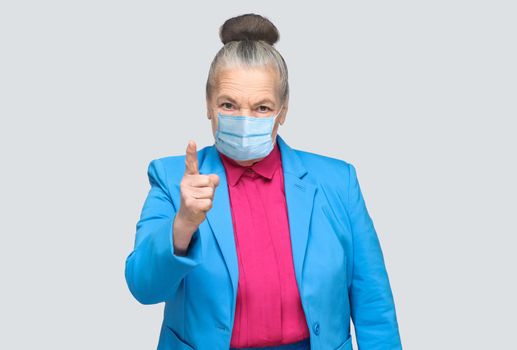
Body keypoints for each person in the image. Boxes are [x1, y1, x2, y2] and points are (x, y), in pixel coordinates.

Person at [124, 13, 402, 350]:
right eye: (229, 104)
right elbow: (144, 286)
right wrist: (182, 225)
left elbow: (373, 303)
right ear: (209, 105)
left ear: (283, 111)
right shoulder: (172, 180)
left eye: (261, 107)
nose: (244, 119)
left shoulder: (337, 182)